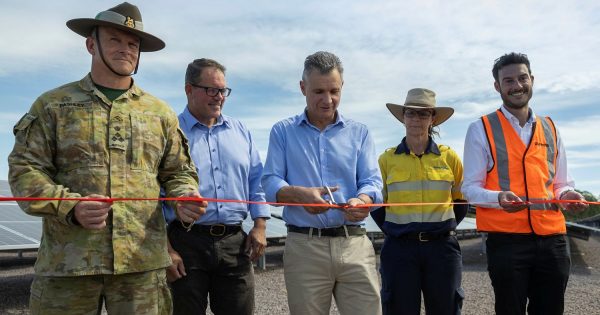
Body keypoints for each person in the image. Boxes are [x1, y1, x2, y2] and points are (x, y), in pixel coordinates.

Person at [8, 3, 207, 314]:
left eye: (133, 43)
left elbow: (179, 171)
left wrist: (185, 196)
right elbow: (24, 171)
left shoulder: (160, 113)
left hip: (140, 269)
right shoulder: (53, 105)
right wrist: (69, 206)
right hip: (69, 266)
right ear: (91, 44)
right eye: (115, 40)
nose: (125, 49)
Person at [462, 52, 588, 315]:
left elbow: (560, 184)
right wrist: (498, 198)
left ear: (532, 79)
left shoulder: (551, 127)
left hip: (553, 240)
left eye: (522, 78)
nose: (517, 86)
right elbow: (470, 189)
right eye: (508, 81)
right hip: (507, 242)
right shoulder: (480, 128)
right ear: (497, 86)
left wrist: (569, 194)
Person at [262, 51, 383, 315]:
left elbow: (372, 181)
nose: (327, 100)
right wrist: (297, 194)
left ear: (342, 87)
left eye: (334, 91)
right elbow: (270, 180)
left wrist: (363, 201)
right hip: (305, 247)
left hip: (354, 244)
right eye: (318, 91)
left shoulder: (360, 133)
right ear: (302, 88)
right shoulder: (282, 131)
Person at [163, 58, 270, 315]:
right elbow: (153, 194)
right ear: (189, 89)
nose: (219, 96)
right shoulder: (169, 133)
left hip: (236, 242)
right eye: (211, 89)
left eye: (223, 90)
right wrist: (165, 250)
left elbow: (257, 181)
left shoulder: (241, 131)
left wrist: (260, 225)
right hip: (185, 244)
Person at [376, 88, 465, 315]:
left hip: (442, 249)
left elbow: (461, 202)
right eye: (411, 113)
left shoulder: (450, 158)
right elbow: (377, 206)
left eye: (423, 114)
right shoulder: (386, 160)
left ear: (433, 119)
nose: (416, 119)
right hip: (399, 249)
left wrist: (442, 230)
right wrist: (395, 230)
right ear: (403, 117)